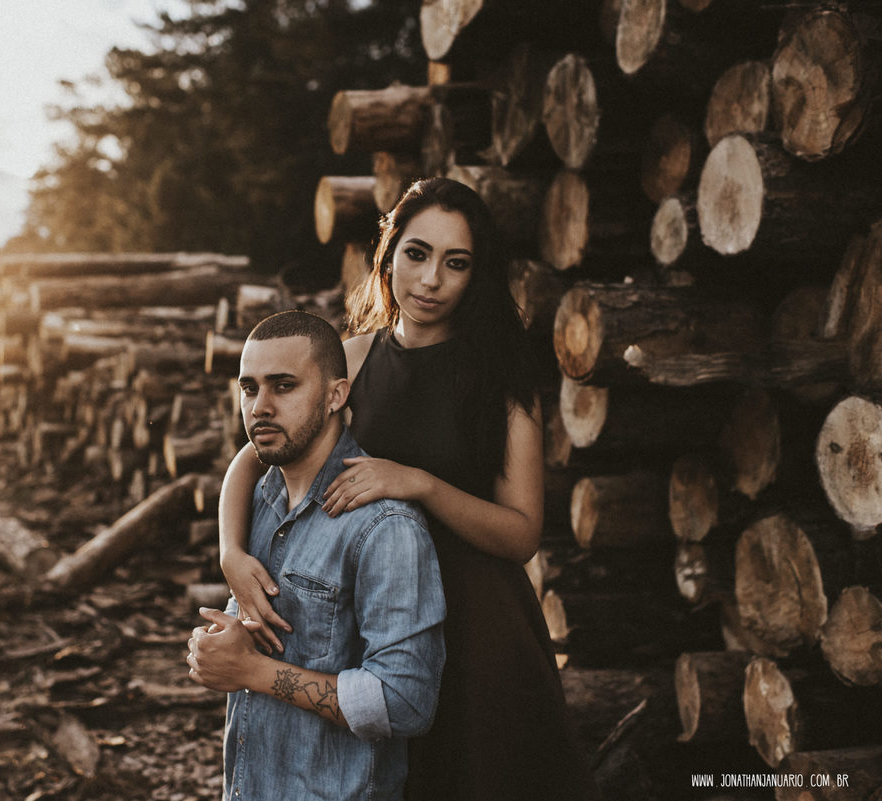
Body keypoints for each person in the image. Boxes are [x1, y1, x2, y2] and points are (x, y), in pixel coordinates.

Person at [218, 178, 600, 800]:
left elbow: (522, 533)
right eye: (416, 254)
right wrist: (232, 554)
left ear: (477, 276)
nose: (430, 281)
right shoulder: (355, 358)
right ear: (388, 254)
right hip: (366, 619)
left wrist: (419, 483)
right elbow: (252, 459)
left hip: (476, 627)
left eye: (456, 263)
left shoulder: (501, 378)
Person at [186, 310, 446, 801]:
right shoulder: (259, 500)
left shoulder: (385, 526)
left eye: (283, 386)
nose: (260, 407)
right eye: (249, 389)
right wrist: (219, 648)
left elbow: (406, 702)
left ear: (335, 395)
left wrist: (252, 672)